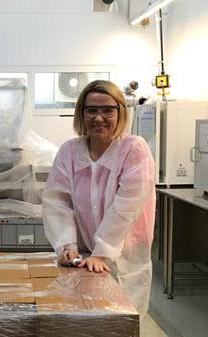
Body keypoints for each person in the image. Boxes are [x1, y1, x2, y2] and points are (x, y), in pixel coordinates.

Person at [42, 80, 155, 315]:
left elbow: (126, 207)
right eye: (91, 110)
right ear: (81, 113)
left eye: (107, 110)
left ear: (120, 112)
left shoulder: (134, 149)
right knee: (83, 321)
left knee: (120, 322)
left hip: (123, 260)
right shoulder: (69, 151)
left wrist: (102, 252)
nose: (98, 117)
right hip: (82, 257)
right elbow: (57, 202)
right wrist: (66, 245)